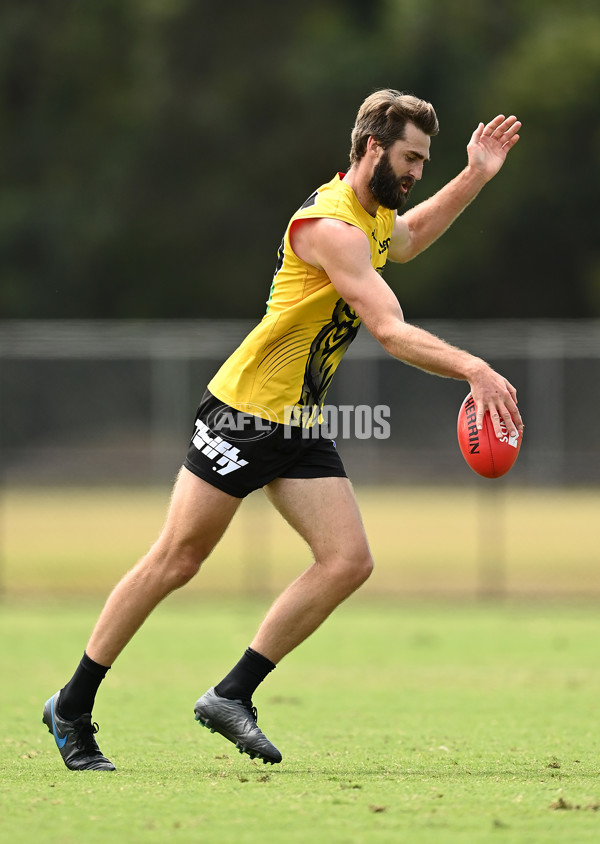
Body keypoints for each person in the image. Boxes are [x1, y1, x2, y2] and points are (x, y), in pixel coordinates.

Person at [42, 89, 524, 770]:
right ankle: (71, 705)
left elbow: (408, 240)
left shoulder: (374, 215)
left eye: (425, 160)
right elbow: (388, 328)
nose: (417, 171)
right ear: (371, 148)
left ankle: (230, 695)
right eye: (411, 157)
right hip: (244, 414)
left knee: (348, 561)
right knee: (177, 560)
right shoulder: (330, 226)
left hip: (296, 419)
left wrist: (475, 173)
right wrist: (474, 367)